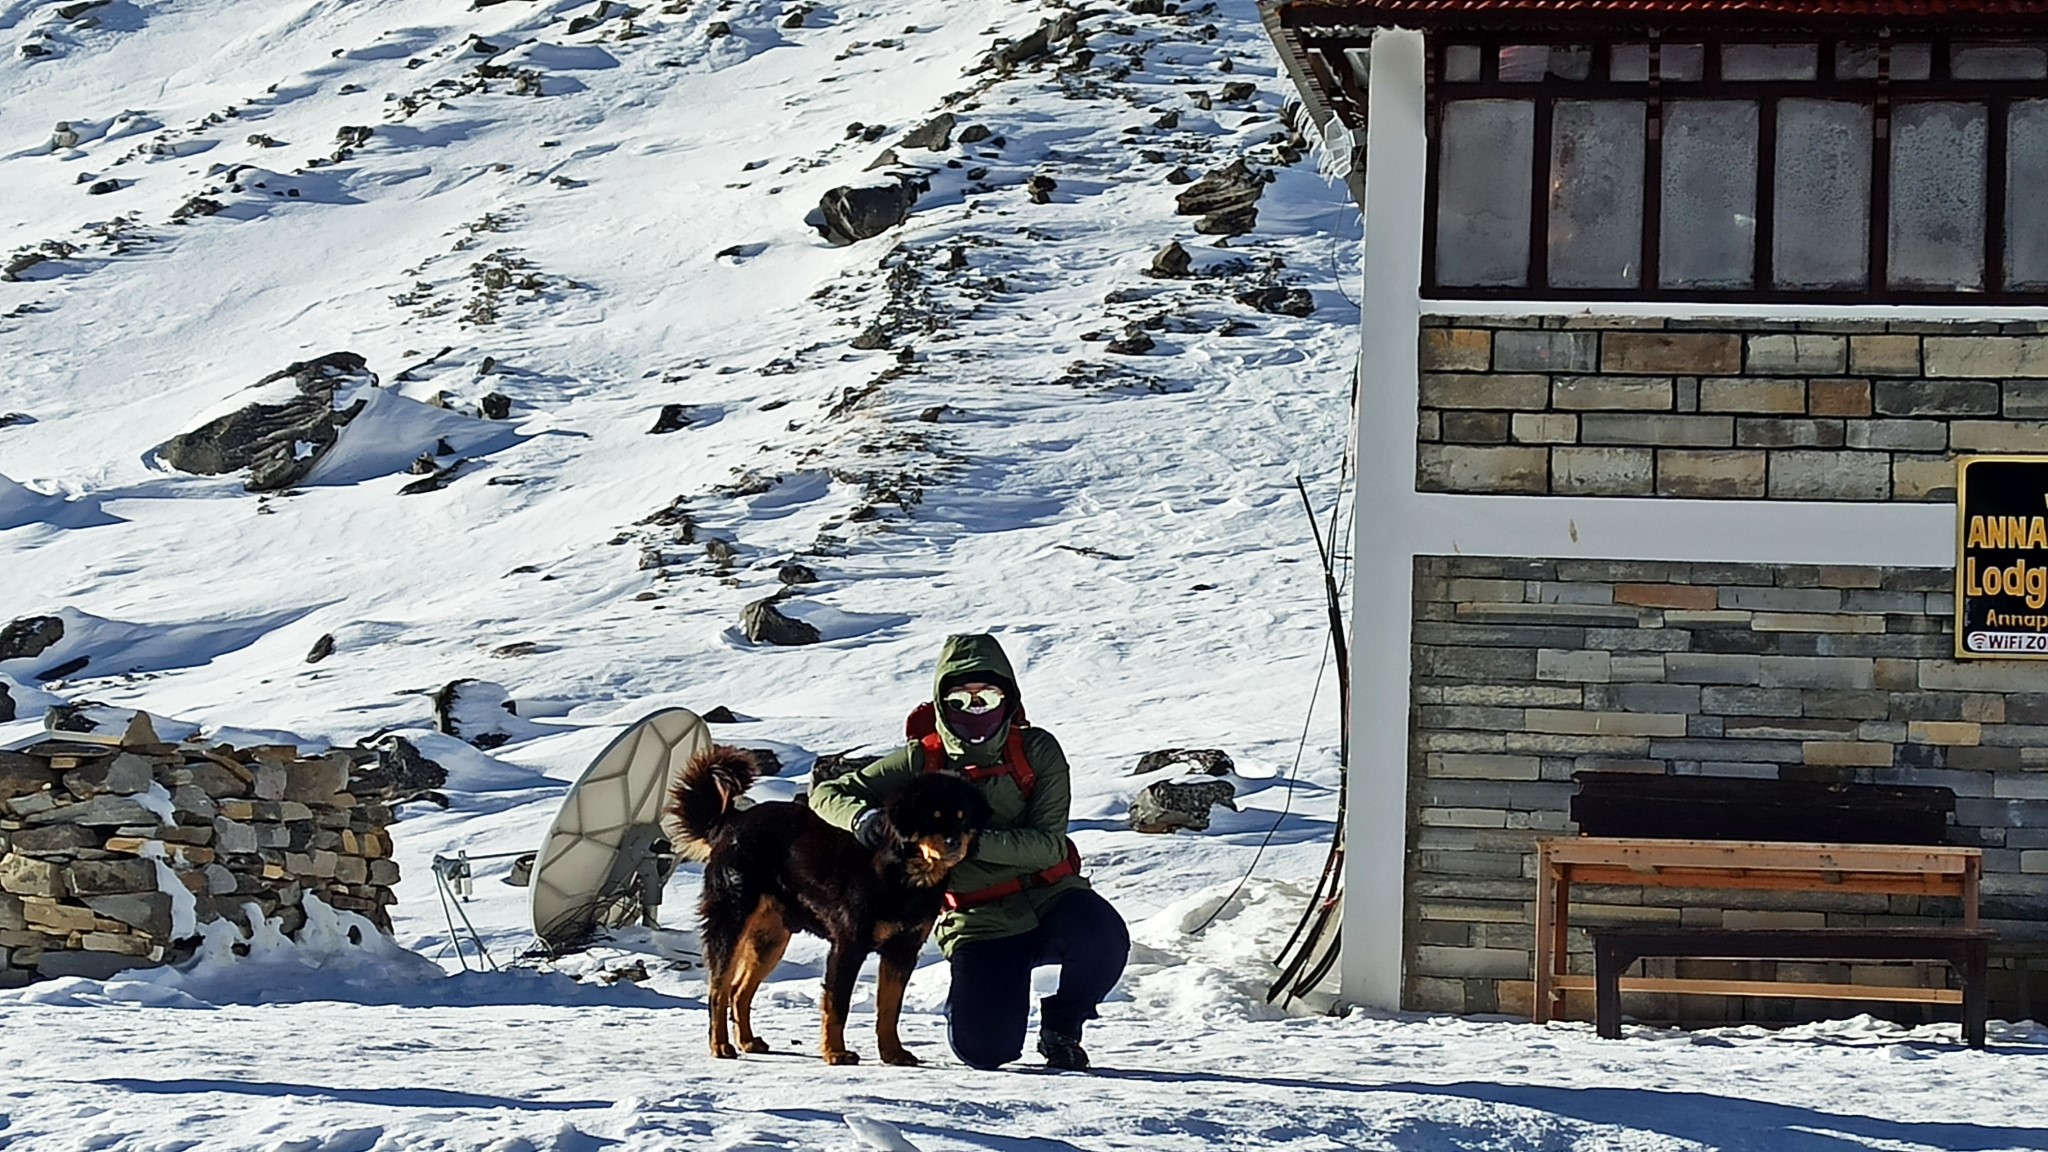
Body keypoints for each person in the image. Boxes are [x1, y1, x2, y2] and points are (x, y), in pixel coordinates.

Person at [809, 633, 1130, 1071]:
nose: (975, 709)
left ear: (1009, 697)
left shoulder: (1037, 752)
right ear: (942, 702)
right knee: (985, 1052)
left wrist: (967, 844)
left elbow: (1048, 846)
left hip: (1051, 897)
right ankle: (970, 1002)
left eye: (988, 696)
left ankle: (1063, 1027)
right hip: (979, 920)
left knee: (1104, 938)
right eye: (960, 699)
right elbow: (827, 792)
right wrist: (865, 821)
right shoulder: (920, 760)